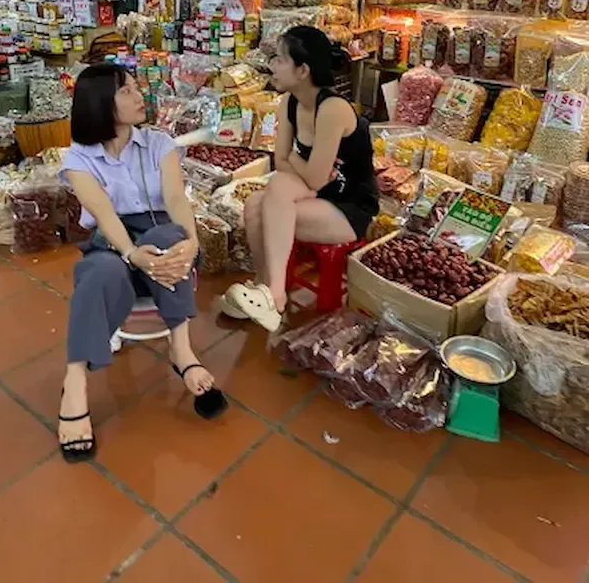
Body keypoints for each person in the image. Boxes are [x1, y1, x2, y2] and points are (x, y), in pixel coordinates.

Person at [58, 64, 226, 464]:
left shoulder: (158, 143)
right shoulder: (79, 159)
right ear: (101, 104)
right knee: (98, 271)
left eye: (137, 88)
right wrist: (133, 256)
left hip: (163, 238)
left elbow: (175, 200)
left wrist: (191, 241)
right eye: (127, 91)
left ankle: (182, 351)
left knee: (168, 239)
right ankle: (76, 379)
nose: (140, 97)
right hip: (112, 241)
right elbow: (104, 215)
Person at [220, 26, 379, 331]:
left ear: (303, 69)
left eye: (280, 59)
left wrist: (302, 168)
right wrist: (305, 168)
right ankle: (265, 287)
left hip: (349, 207)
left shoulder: (332, 109)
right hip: (317, 193)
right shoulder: (289, 103)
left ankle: (273, 294)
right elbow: (279, 161)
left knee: (273, 193)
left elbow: (311, 176)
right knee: (255, 202)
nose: (272, 66)